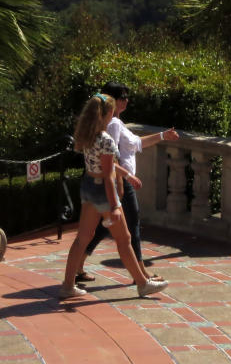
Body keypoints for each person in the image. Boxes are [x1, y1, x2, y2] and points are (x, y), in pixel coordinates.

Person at [59, 93, 169, 299]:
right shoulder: (107, 140)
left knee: (82, 239)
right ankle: (143, 284)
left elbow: (102, 167)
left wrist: (126, 174)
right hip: (102, 192)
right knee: (124, 239)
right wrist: (115, 206)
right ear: (107, 113)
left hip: (88, 187)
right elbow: (109, 176)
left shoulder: (87, 135)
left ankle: (67, 285)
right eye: (111, 111)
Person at [75, 81, 179, 284]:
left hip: (117, 182)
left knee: (102, 228)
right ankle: (142, 276)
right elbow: (109, 158)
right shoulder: (112, 125)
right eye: (122, 97)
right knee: (131, 227)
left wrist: (162, 136)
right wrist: (125, 178)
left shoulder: (117, 123)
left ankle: (78, 267)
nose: (126, 100)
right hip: (119, 182)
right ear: (112, 101)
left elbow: (137, 143)